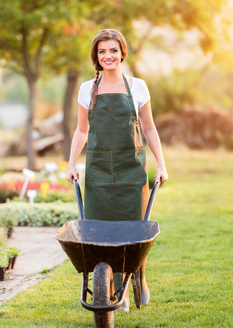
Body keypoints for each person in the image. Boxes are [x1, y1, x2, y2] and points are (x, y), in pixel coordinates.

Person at [66, 28, 168, 312]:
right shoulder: (88, 88)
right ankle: (108, 286)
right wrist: (72, 162)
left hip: (132, 171)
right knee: (100, 232)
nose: (108, 56)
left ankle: (137, 278)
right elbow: (81, 130)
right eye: (102, 51)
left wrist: (161, 163)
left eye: (113, 50)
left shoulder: (138, 87)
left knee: (134, 229)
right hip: (98, 172)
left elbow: (148, 127)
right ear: (96, 57)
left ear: (122, 53)